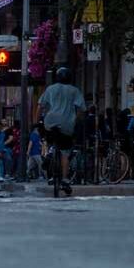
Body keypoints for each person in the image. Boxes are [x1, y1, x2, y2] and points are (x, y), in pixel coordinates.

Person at [37, 67, 85, 195]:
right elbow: (81, 109)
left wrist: (37, 122)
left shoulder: (50, 89)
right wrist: (77, 120)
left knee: (50, 141)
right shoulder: (75, 91)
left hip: (50, 121)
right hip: (67, 123)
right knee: (65, 152)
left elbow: (40, 106)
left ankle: (50, 154)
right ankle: (64, 179)